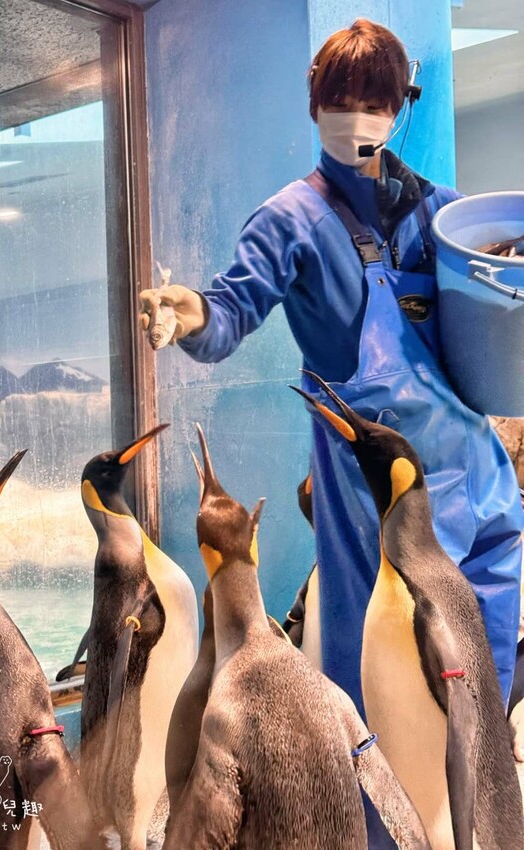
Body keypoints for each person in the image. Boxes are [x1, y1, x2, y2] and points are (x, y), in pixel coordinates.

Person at [140, 10, 522, 799]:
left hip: (478, 484)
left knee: (481, 690)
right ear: (314, 104)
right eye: (344, 97)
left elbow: (491, 342)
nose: (361, 115)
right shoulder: (290, 219)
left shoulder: (444, 216)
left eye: (377, 99)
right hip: (375, 492)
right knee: (377, 697)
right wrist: (192, 316)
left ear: (401, 105)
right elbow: (228, 314)